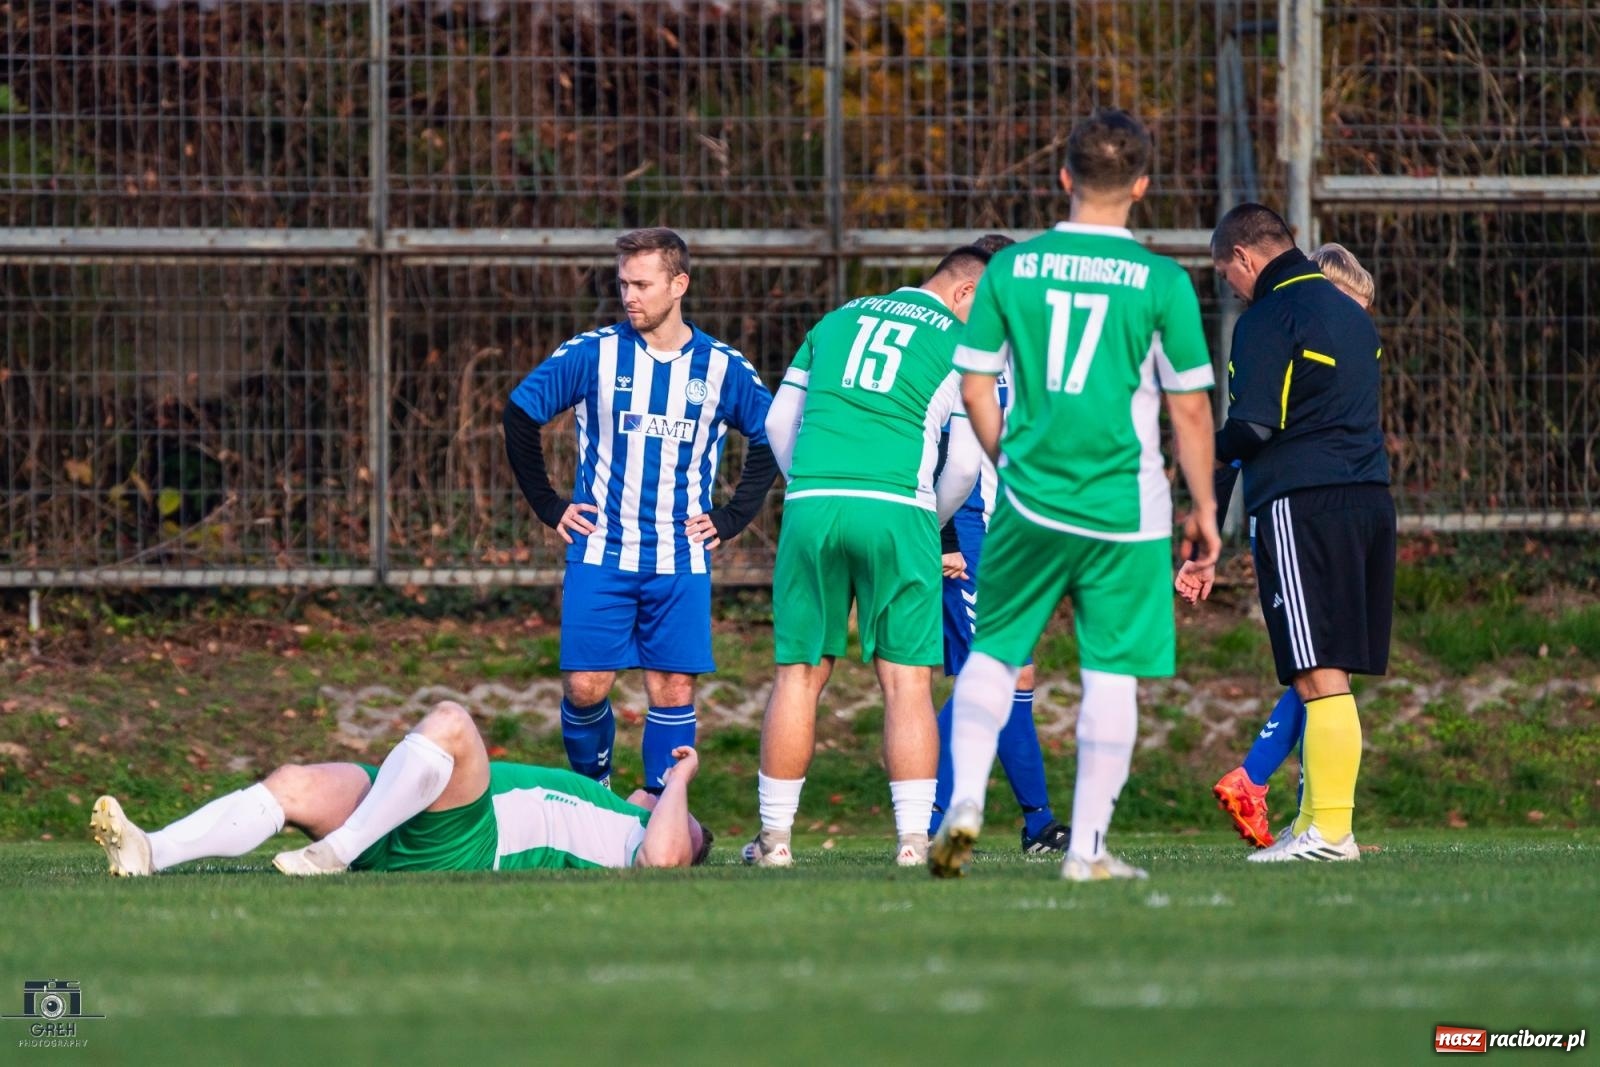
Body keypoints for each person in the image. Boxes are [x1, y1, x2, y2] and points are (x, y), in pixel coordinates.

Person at [928, 107, 1221, 882]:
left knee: (994, 652)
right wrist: (1207, 508)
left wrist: (1007, 457)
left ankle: (961, 809)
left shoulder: (1013, 270)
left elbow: (975, 380)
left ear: (1064, 178)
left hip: (1029, 496)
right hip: (1122, 507)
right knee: (1109, 669)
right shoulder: (1161, 280)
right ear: (1143, 185)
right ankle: (1085, 849)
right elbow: (1189, 405)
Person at [503, 228, 778, 795]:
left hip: (680, 557)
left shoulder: (722, 367)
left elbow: (772, 434)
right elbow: (520, 414)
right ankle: (593, 793)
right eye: (623, 283)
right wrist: (549, 505)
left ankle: (659, 806)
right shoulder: (593, 353)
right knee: (585, 685)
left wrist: (732, 518)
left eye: (642, 284)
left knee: (674, 685)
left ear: (679, 284)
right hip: (602, 551)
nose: (630, 295)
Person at [743, 246, 990, 867]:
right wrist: (926, 523)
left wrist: (808, 487)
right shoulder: (963, 345)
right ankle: (913, 842)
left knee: (800, 673)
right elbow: (963, 463)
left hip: (814, 501)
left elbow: (778, 422)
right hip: (899, 507)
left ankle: (774, 841)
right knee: (907, 681)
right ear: (964, 293)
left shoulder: (837, 318)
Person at [1178, 208, 1393, 863]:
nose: (1232, 288)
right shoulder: (1353, 315)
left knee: (1316, 671)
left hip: (1302, 503)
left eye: (1226, 275)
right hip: (1368, 499)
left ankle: (1331, 833)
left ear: (1243, 257)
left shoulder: (1268, 318)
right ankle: (1314, 825)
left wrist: (1192, 461)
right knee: (1328, 671)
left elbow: (1253, 429)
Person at [89, 701, 713, 876]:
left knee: (451, 723)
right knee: (294, 784)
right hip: (413, 819)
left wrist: (680, 777)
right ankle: (151, 851)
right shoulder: (605, 800)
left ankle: (339, 851)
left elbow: (664, 856)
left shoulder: (647, 839)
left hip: (466, 844)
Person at [929, 237, 1069, 855]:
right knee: (997, 674)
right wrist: (945, 536)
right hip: (972, 535)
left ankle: (1035, 822)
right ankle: (934, 821)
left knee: (1011, 676)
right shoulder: (955, 352)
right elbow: (937, 451)